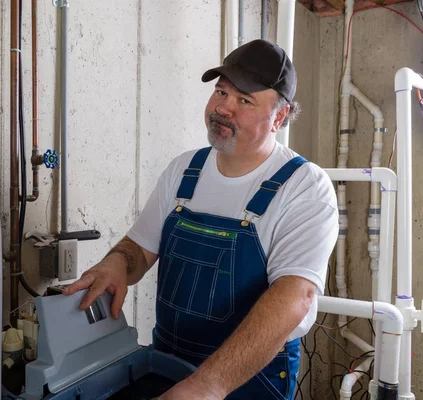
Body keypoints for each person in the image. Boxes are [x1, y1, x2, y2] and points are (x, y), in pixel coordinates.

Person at [63, 39, 339, 400]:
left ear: (280, 117)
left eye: (244, 100)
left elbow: (293, 297)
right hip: (167, 364)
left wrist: (209, 385)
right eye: (221, 92)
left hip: (248, 380)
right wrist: (116, 263)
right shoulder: (184, 170)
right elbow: (139, 248)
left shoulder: (304, 187)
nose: (223, 109)